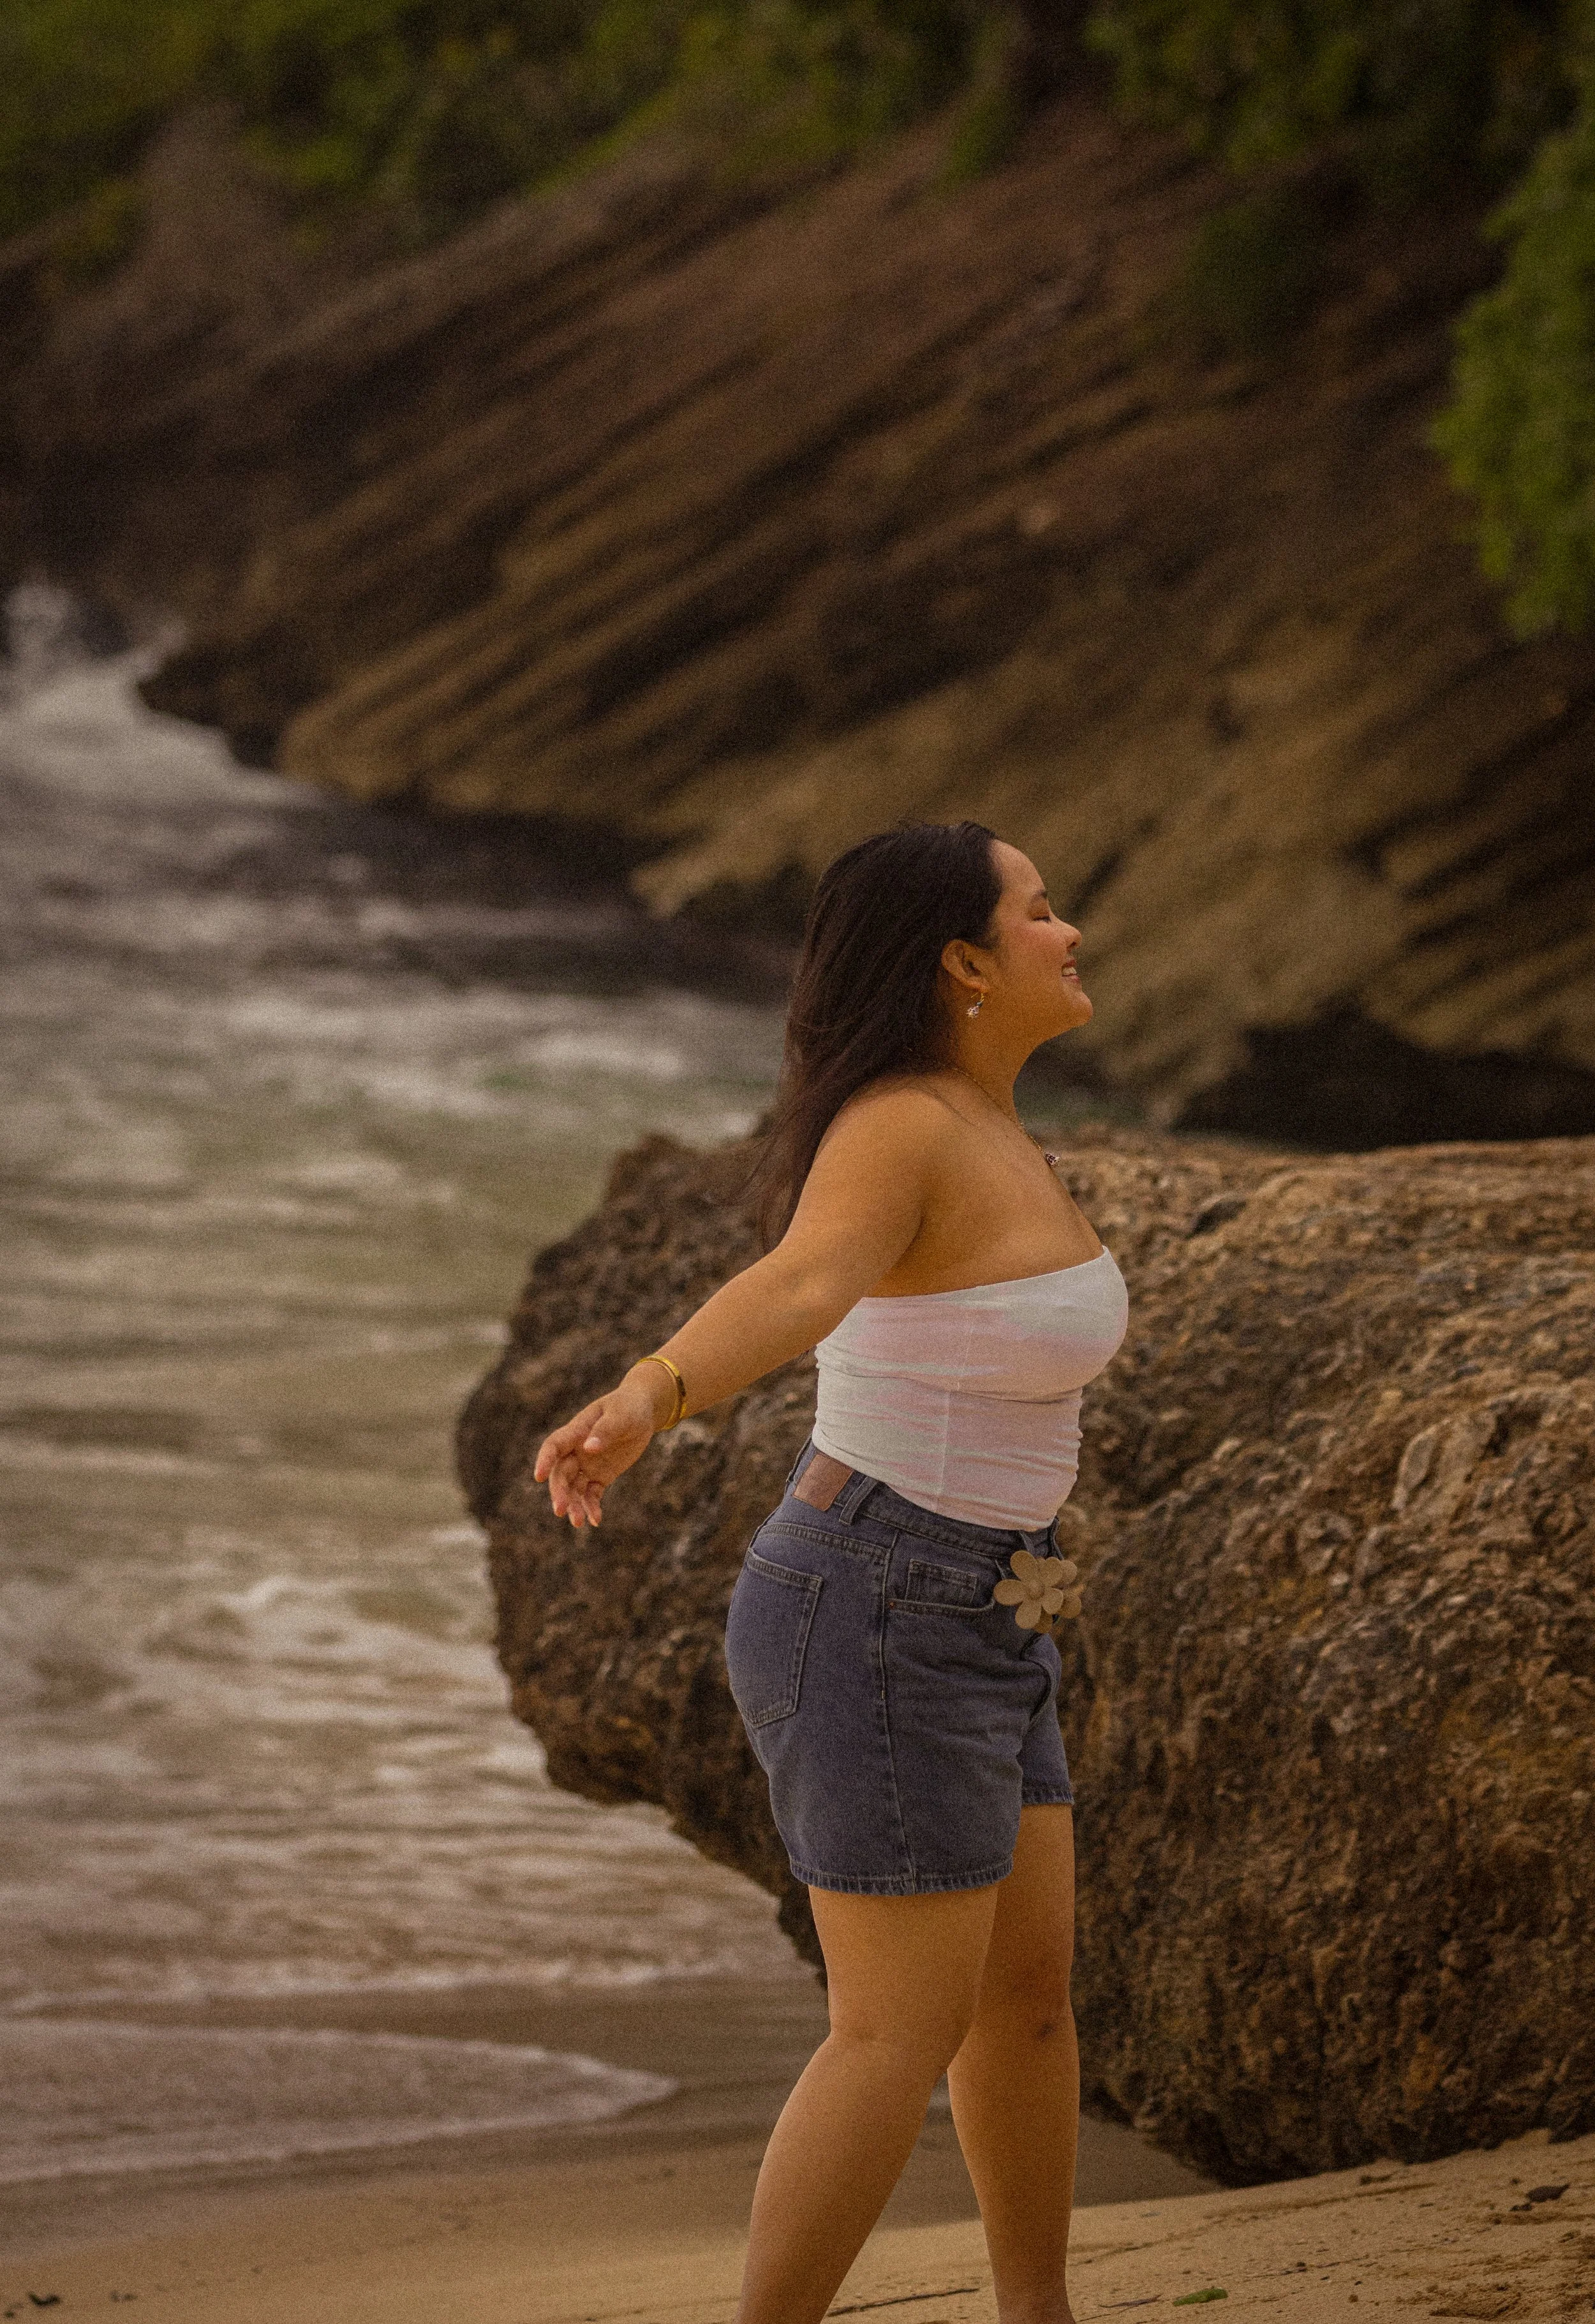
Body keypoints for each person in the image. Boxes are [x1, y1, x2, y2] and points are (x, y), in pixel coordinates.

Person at [534, 821, 1128, 2324]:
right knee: (890, 2032)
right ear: (962, 960)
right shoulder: (900, 1124)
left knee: (1025, 2007)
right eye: (1039, 910)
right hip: (876, 1606)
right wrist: (649, 1393)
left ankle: (1035, 2315)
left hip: (988, 1608)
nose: (1069, 933)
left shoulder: (985, 1121)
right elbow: (800, 1280)